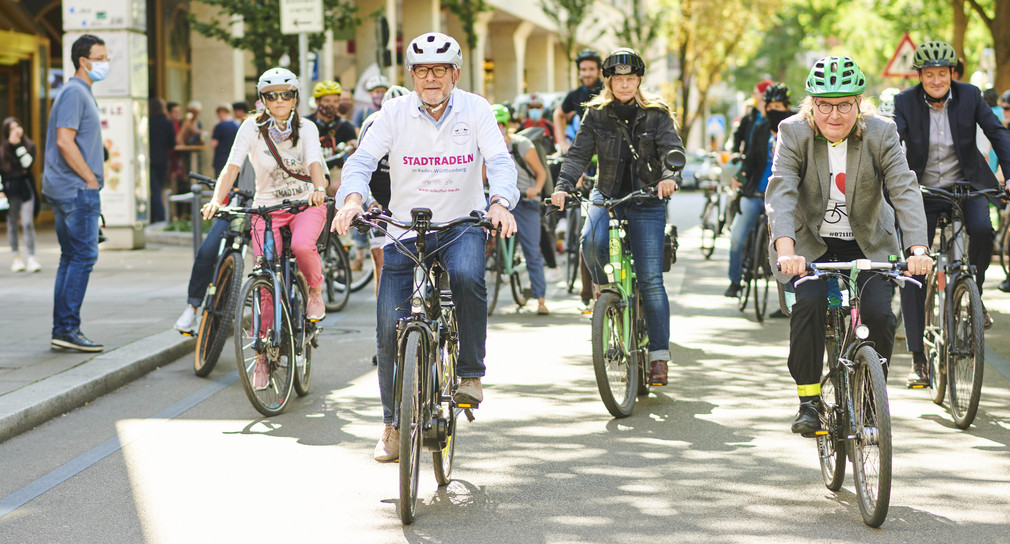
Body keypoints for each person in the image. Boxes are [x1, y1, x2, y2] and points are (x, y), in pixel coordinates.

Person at [330, 32, 519, 462]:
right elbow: (359, 162)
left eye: (439, 70)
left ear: (455, 73)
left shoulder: (476, 109)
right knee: (386, 326)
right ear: (411, 75)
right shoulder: (391, 113)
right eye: (421, 70)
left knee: (469, 277)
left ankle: (469, 373)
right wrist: (353, 197)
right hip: (404, 230)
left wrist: (500, 202)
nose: (430, 78)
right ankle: (392, 425)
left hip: (460, 224)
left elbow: (500, 162)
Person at [767, 56, 932, 434]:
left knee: (880, 316)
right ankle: (809, 401)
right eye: (825, 104)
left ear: (859, 103)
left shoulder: (881, 132)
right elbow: (782, 192)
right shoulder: (793, 132)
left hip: (869, 242)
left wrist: (917, 249)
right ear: (812, 105)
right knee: (807, 306)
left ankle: (872, 395)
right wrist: (786, 250)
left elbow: (904, 188)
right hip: (809, 244)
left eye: (845, 104)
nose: (835, 114)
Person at [550, 47, 685, 387]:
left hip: (647, 198)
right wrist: (563, 186)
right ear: (608, 81)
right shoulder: (595, 115)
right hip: (607, 195)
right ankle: (606, 294)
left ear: (639, 80)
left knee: (651, 280)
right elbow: (578, 155)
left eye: (631, 79)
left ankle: (658, 356)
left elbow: (673, 151)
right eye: (618, 79)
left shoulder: (657, 113)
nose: (624, 85)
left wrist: (670, 177)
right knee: (590, 244)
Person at [200, 67, 329, 389]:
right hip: (267, 209)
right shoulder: (251, 128)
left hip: (304, 204)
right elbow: (232, 165)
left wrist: (317, 188)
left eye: (286, 94)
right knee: (263, 276)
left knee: (301, 247)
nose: (280, 100)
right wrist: (218, 199)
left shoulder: (308, 128)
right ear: (263, 100)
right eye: (272, 96)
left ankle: (314, 290)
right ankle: (262, 356)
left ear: (296, 97)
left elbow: (314, 161)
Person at [893, 41, 1010, 386]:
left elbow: (997, 133)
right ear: (920, 76)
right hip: (923, 193)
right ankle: (918, 357)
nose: (936, 80)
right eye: (929, 75)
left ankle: (972, 291)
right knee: (913, 266)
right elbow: (893, 141)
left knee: (983, 230)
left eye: (942, 74)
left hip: (966, 185)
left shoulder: (970, 95)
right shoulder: (904, 102)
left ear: (951, 74)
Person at [41, 34, 108, 352]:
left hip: (70, 189)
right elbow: (64, 141)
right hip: (76, 190)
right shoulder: (74, 92)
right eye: (99, 58)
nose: (104, 63)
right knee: (82, 257)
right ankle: (67, 329)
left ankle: (62, 329)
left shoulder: (79, 92)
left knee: (71, 258)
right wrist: (90, 179)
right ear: (83, 61)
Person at [725, 83, 792, 298]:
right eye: (770, 105)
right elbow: (751, 159)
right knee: (736, 236)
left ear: (787, 107)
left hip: (784, 198)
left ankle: (789, 297)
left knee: (793, 246)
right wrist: (740, 178)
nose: (773, 110)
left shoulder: (795, 128)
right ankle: (735, 281)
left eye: (779, 106)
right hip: (756, 193)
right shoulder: (760, 128)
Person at [493, 103, 550, 314]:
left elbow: (541, 173)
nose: (497, 128)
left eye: (501, 124)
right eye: (494, 124)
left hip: (525, 201)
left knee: (531, 249)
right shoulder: (485, 147)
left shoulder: (521, 144)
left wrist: (535, 189)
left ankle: (541, 299)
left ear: (507, 125)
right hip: (497, 202)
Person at [356, 84, 410, 294]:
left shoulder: (416, 125)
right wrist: (370, 202)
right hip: (379, 196)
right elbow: (361, 168)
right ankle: (385, 321)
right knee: (382, 261)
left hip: (409, 196)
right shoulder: (372, 125)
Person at [0, 117, 41, 272]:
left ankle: (31, 257)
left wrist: (18, 146)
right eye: (11, 129)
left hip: (25, 189)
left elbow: (27, 164)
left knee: (27, 222)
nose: (15, 131)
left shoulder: (29, 146)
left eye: (17, 126)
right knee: (12, 225)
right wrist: (0, 191)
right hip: (10, 191)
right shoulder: (2, 151)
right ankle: (16, 257)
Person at [553, 49, 603, 154]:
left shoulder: (608, 91)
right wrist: (562, 142)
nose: (587, 74)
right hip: (586, 151)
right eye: (583, 70)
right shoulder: (575, 94)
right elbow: (558, 114)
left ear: (599, 71)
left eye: (591, 69)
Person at [307, 80, 357, 163]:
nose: (332, 104)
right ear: (317, 102)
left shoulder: (346, 127)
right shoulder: (305, 124)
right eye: (327, 101)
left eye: (336, 101)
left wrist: (352, 147)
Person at [148, 98, 175, 224]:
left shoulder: (147, 122)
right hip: (163, 159)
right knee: (158, 188)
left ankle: (156, 217)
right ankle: (160, 217)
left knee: (155, 189)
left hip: (149, 158)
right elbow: (172, 144)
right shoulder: (167, 123)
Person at [730, 80, 774, 157]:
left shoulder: (773, 116)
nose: (753, 96)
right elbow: (738, 134)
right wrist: (736, 152)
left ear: (764, 94)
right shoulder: (750, 117)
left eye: (755, 93)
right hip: (749, 160)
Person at [209, 103, 239, 177]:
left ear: (220, 113)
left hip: (221, 159)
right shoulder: (236, 125)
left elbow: (213, 144)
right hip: (233, 159)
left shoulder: (219, 126)